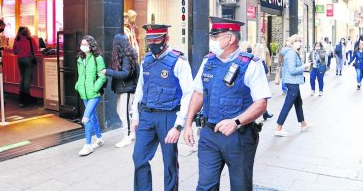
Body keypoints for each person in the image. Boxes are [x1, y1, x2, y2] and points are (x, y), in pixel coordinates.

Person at [183, 17, 271, 190]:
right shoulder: (208, 62)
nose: (212, 41)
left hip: (239, 137)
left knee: (240, 186)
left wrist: (236, 121)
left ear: (230, 38)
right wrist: (187, 125)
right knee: (205, 186)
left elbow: (261, 103)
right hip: (209, 135)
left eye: (216, 36)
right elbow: (198, 94)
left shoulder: (251, 65)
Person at [131, 24, 193, 191]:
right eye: (149, 39)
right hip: (147, 116)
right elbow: (140, 89)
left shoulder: (178, 61)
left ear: (167, 39)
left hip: (168, 117)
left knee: (169, 162)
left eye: (157, 39)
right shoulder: (147, 60)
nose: (153, 43)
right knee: (139, 158)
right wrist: (135, 116)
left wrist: (179, 125)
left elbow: (189, 94)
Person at [100, 34, 139, 148]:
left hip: (127, 89)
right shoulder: (126, 55)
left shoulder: (126, 56)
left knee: (124, 113)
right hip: (123, 88)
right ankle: (132, 132)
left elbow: (125, 74)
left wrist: (107, 71)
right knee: (122, 111)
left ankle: (126, 137)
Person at [75, 35, 107, 156]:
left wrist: (95, 88)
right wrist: (78, 85)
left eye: (85, 44)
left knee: (86, 117)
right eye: (82, 44)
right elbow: (80, 76)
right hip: (84, 93)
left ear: (91, 45)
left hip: (94, 94)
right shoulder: (80, 59)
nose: (83, 46)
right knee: (92, 116)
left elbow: (102, 76)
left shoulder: (97, 58)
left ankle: (87, 145)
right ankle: (99, 138)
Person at [275, 34, 312, 137]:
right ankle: (279, 127)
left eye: (300, 40)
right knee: (288, 104)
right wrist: (304, 66)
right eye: (297, 40)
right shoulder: (291, 53)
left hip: (293, 82)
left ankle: (303, 123)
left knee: (298, 103)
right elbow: (292, 70)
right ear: (292, 42)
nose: (299, 42)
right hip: (292, 82)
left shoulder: (292, 52)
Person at [13, 26, 38, 106]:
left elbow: (15, 51)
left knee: (22, 77)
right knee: (27, 78)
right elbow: (36, 49)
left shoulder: (17, 39)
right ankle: (27, 96)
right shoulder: (30, 39)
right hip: (28, 59)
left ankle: (21, 98)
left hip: (20, 60)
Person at [253, 43, 274, 120]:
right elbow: (266, 70)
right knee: (261, 99)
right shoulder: (260, 61)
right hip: (260, 82)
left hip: (255, 82)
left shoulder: (252, 59)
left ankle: (265, 113)